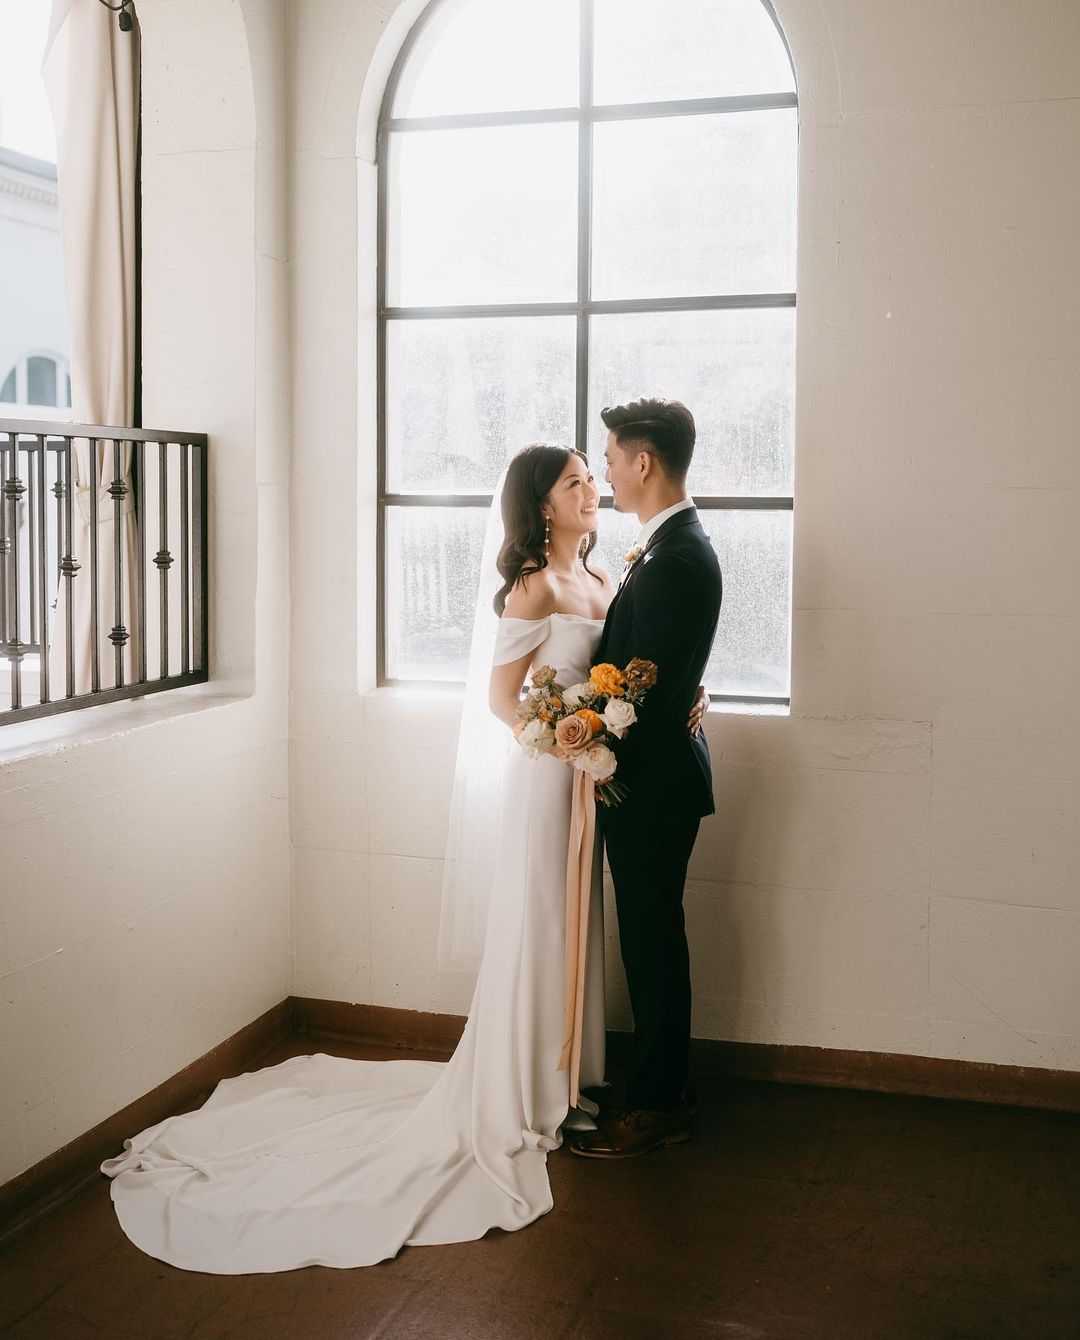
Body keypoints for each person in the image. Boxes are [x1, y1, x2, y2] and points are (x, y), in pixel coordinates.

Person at [98, 441, 708, 1272]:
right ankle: (526, 1083)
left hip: (593, 776)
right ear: (541, 505)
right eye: (574, 482)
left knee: (578, 925)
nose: (592, 488)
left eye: (591, 476)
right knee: (541, 917)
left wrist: (665, 702)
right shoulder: (532, 586)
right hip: (550, 779)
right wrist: (564, 739)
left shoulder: (603, 578)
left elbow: (632, 671)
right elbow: (501, 699)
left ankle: (571, 1074)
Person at [570, 398, 723, 1161]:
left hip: (652, 787)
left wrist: (576, 739)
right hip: (657, 779)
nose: (604, 474)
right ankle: (661, 1089)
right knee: (651, 937)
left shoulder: (678, 557)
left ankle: (660, 1104)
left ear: (643, 462)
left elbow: (645, 693)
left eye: (608, 459)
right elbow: (659, 667)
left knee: (653, 942)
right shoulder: (669, 549)